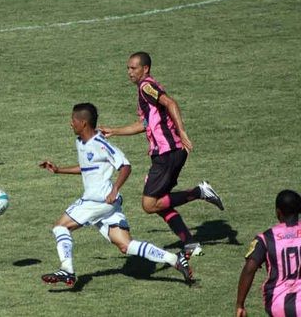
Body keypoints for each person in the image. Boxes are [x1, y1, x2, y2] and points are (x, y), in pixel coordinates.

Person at [39, 103, 194, 287]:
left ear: (83, 123)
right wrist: (58, 170)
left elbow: (125, 166)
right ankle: (175, 259)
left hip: (98, 200)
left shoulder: (101, 144)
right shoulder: (80, 142)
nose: (70, 124)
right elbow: (86, 168)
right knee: (126, 245)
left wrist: (115, 189)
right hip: (106, 205)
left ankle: (67, 270)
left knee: (60, 227)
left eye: (73, 120)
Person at [100, 52, 224, 257]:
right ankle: (190, 243)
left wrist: (182, 131)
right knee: (159, 201)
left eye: (133, 68)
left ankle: (199, 192)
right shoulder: (144, 91)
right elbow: (145, 123)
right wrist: (115, 130)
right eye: (128, 68)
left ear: (145, 68)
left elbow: (171, 103)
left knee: (149, 204)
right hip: (166, 154)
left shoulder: (146, 86)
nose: (129, 72)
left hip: (168, 153)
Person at [236, 190, 301, 317]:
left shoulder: (266, 238)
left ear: (278, 212)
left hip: (277, 305)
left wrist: (240, 304)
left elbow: (249, 269)